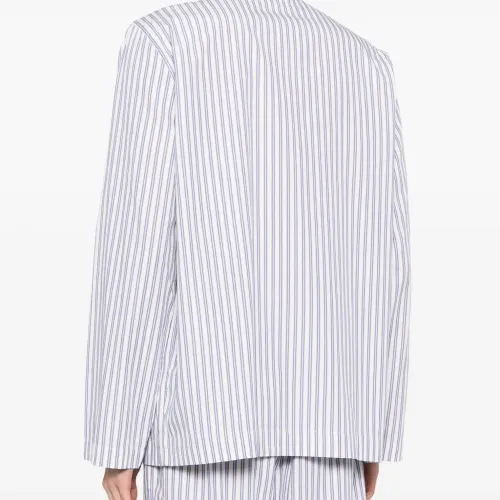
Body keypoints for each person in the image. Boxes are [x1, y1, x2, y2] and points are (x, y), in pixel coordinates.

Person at [84, 0, 411, 497]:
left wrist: (118, 440)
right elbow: (389, 262)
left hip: (205, 428)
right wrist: (374, 430)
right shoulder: (366, 63)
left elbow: (137, 247)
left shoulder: (165, 41)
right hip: (334, 430)